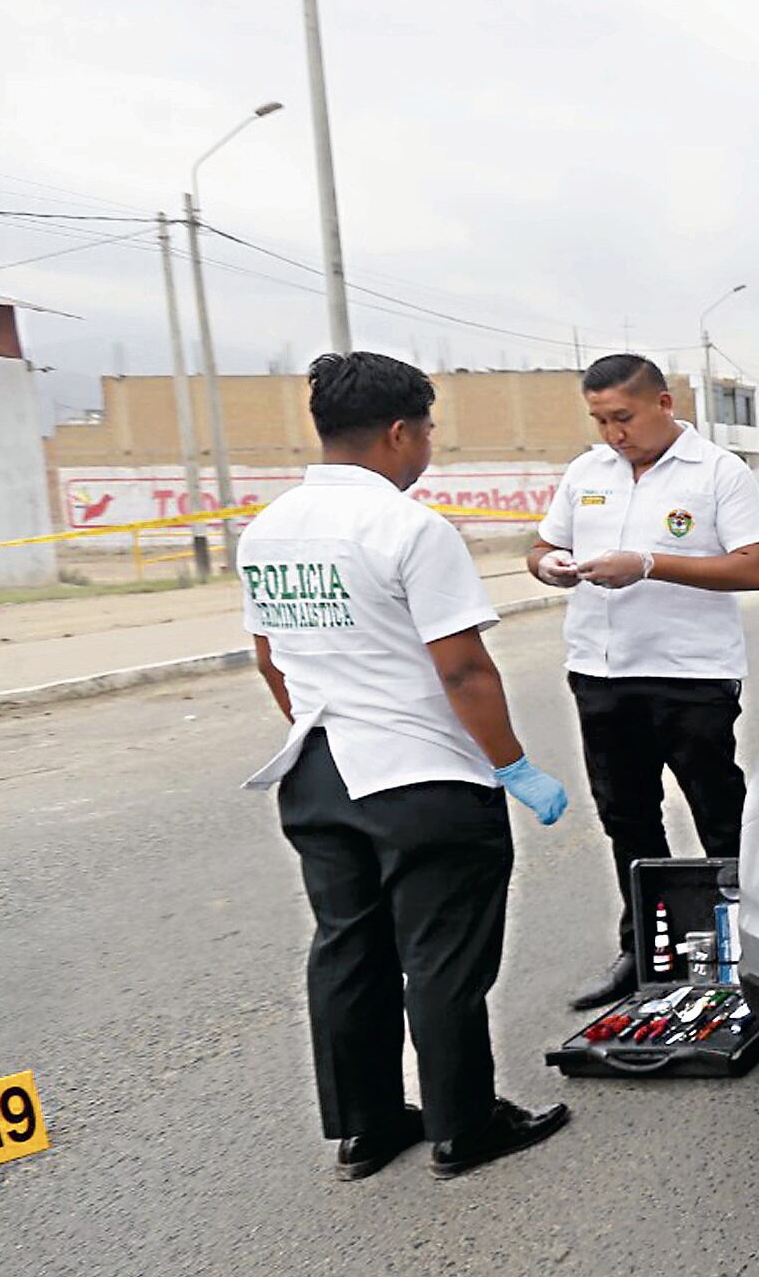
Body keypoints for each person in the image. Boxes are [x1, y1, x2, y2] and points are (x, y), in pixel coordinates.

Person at [240, 352, 572, 1181]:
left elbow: (268, 658)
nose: (428, 445)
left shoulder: (268, 528)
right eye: (426, 430)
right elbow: (461, 669)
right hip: (421, 778)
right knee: (443, 957)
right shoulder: (411, 529)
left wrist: (322, 722)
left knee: (347, 947)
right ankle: (464, 1128)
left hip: (317, 771)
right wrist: (514, 767)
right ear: (398, 433)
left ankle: (369, 1126)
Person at [534, 354, 759, 1008]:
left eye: (623, 417)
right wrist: (549, 565)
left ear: (664, 404)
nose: (613, 433)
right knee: (627, 818)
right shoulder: (586, 473)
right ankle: (642, 952)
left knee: (719, 816)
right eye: (599, 420)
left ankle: (749, 949)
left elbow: (756, 569)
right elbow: (537, 547)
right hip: (601, 672)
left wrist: (649, 564)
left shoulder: (718, 472)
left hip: (690, 676)